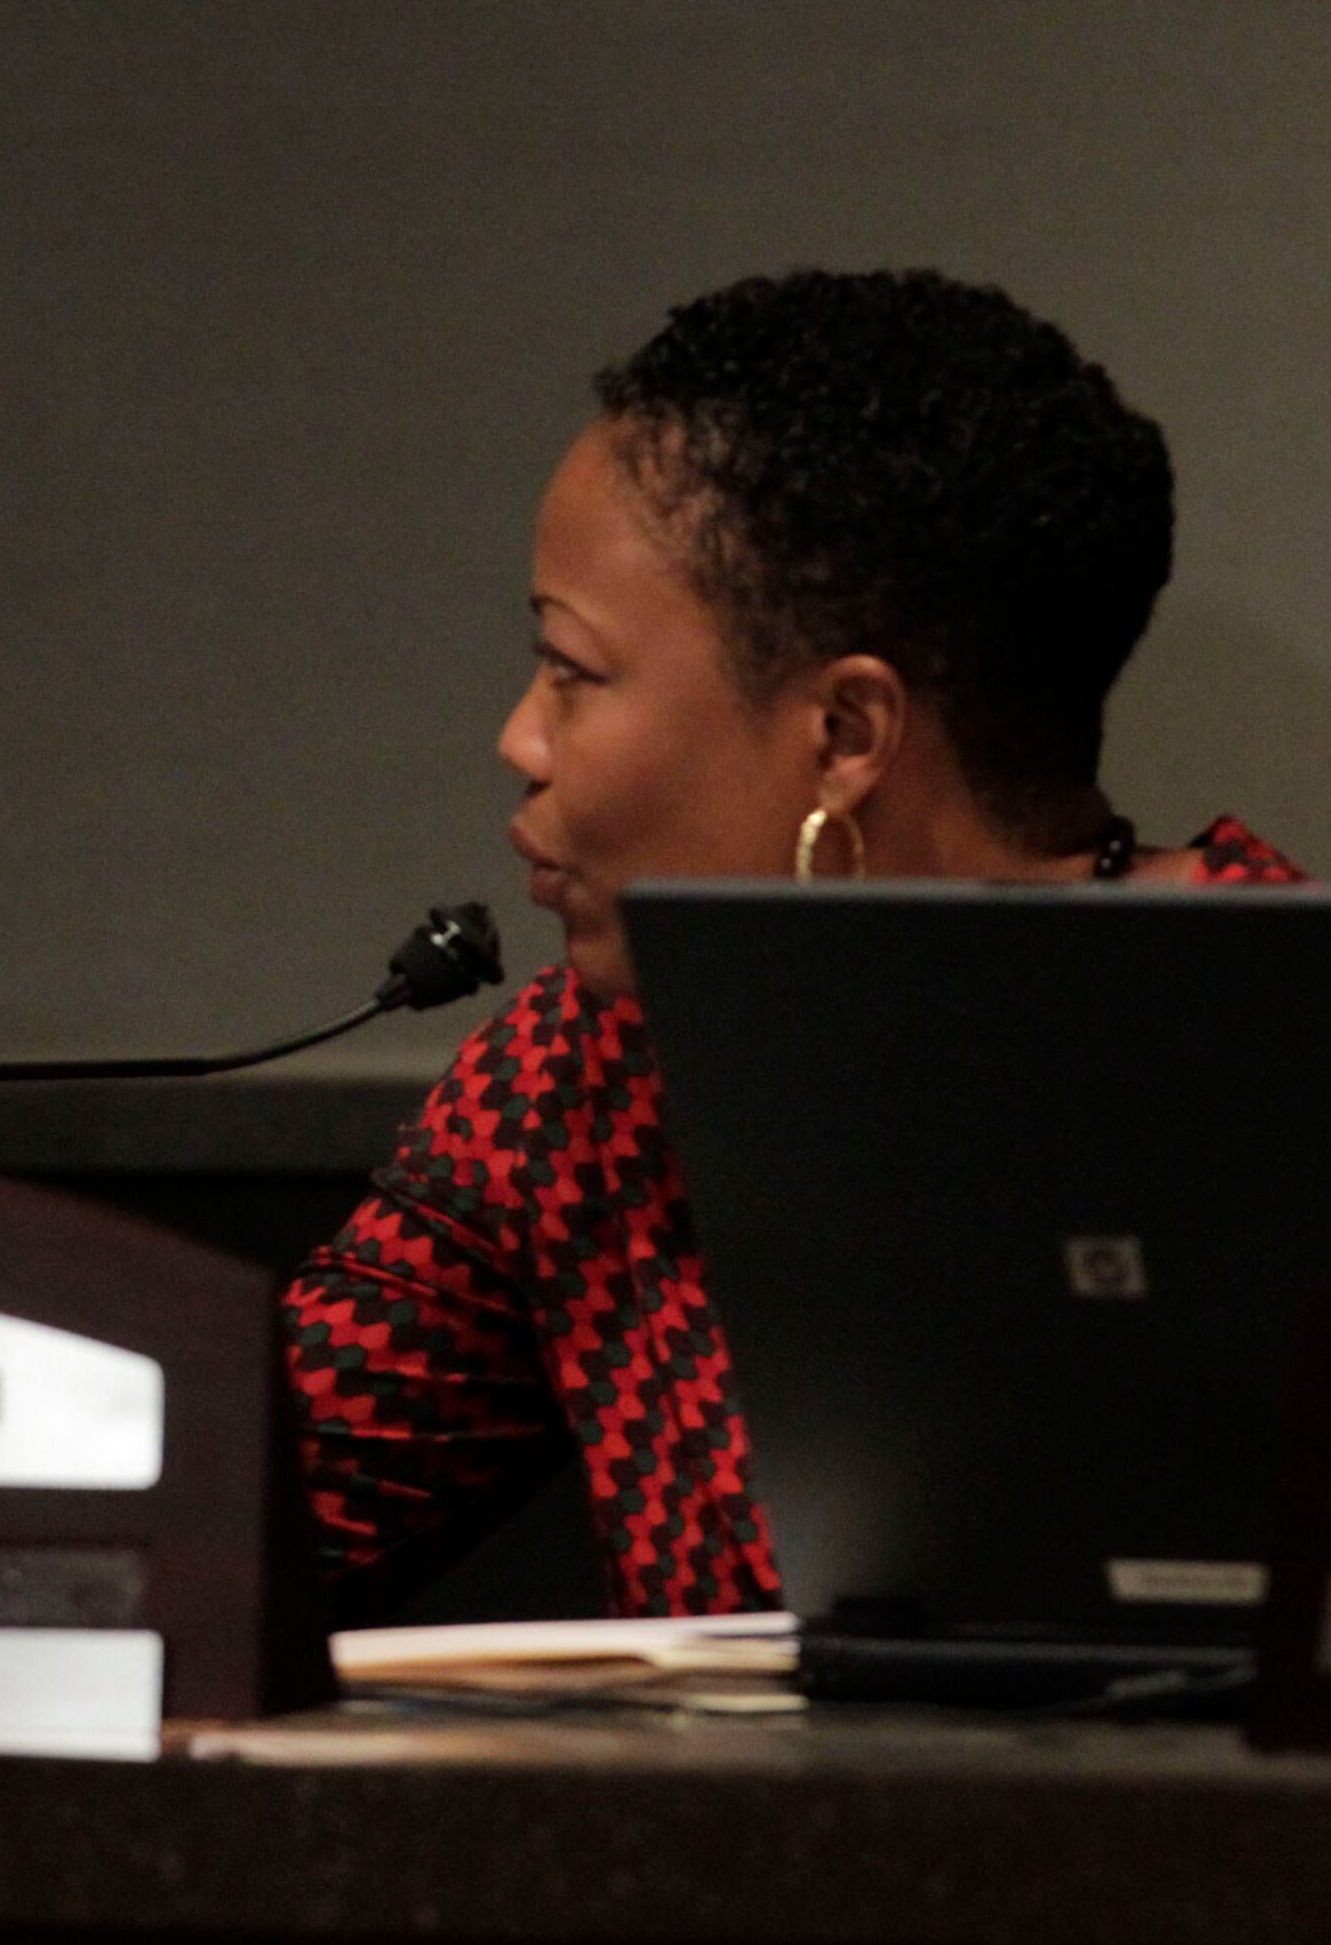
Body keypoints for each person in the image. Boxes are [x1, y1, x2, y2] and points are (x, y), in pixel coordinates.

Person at [287, 270, 1305, 1620]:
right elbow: (226, 1528)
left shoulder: (1284, 1050)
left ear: (846, 736)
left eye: (573, 673)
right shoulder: (585, 1080)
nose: (519, 742)